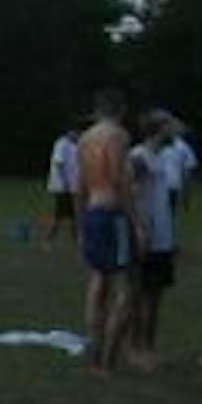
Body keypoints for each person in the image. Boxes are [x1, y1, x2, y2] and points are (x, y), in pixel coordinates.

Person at [75, 87, 144, 375]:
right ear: (121, 109)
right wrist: (137, 222)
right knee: (130, 285)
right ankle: (108, 358)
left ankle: (94, 357)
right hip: (112, 213)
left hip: (92, 210)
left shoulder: (84, 138)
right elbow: (118, 178)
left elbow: (79, 185)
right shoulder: (117, 135)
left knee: (98, 283)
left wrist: (80, 224)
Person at [128, 109, 177, 371]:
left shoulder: (161, 157)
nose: (176, 129)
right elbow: (130, 197)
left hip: (163, 238)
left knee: (155, 297)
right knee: (140, 296)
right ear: (159, 128)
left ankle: (149, 347)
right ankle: (135, 348)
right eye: (171, 125)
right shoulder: (138, 157)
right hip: (146, 238)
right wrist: (139, 229)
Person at [42, 125, 81, 246]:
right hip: (62, 187)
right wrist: (65, 183)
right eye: (76, 132)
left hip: (72, 186)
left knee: (74, 214)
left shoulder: (75, 145)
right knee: (59, 214)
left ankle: (76, 239)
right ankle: (48, 239)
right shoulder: (61, 144)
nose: (78, 135)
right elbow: (59, 163)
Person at [158, 120, 199, 214]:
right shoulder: (182, 147)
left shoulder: (182, 147)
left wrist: (186, 195)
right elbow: (188, 172)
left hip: (170, 185)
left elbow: (187, 172)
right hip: (166, 185)